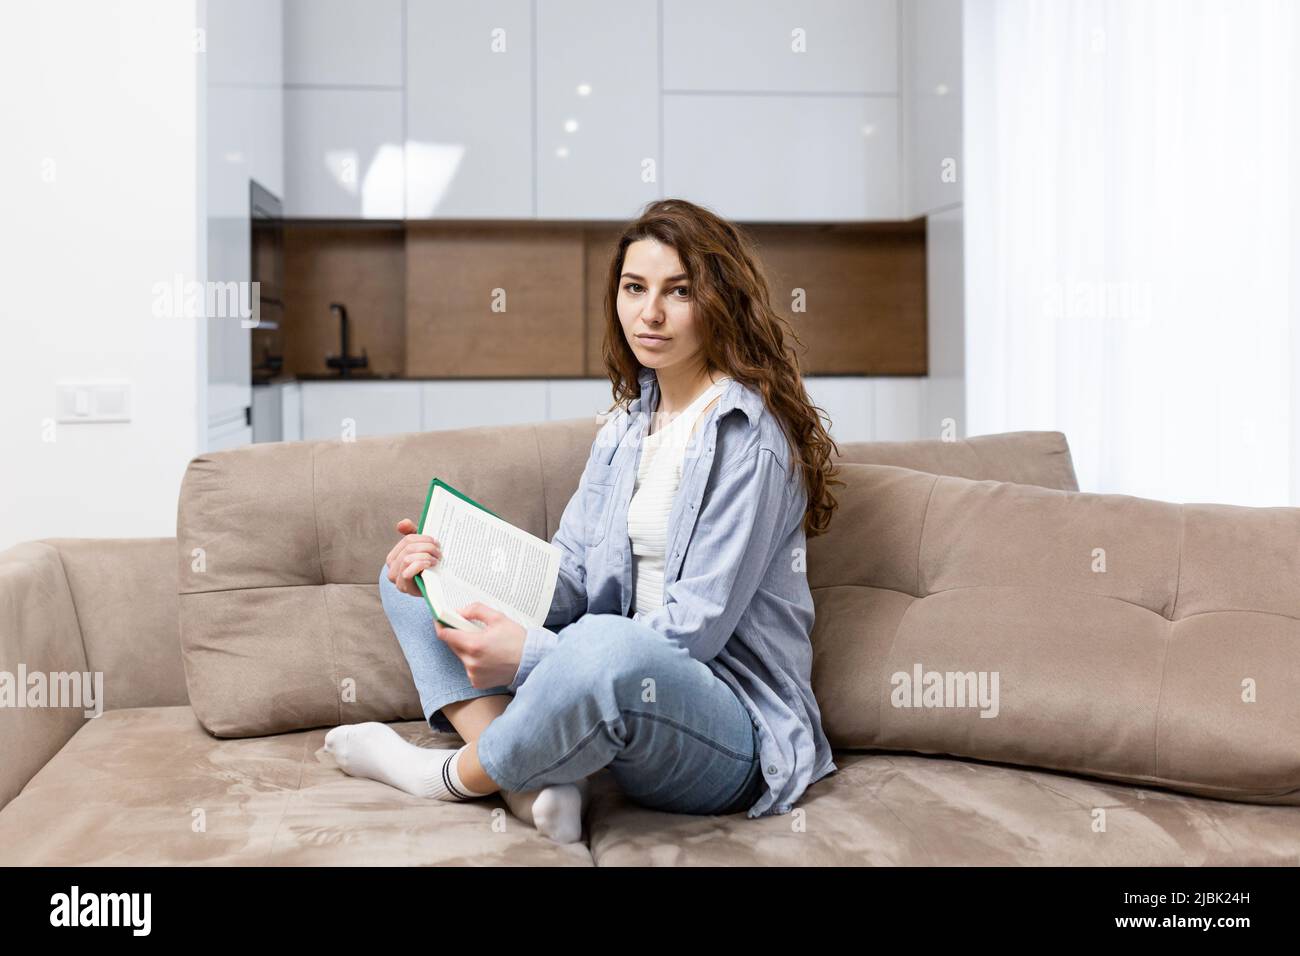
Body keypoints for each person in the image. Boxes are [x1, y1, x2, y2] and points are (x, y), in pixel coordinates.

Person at [325, 198, 844, 844]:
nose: (649, 313)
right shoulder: (626, 426)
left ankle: (446, 774)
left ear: (718, 302)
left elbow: (696, 630)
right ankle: (527, 788)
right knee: (409, 577)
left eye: (677, 292)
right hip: (611, 678)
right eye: (634, 288)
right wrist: (458, 570)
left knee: (610, 644)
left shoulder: (749, 440)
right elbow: (568, 576)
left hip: (722, 726)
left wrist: (529, 655)